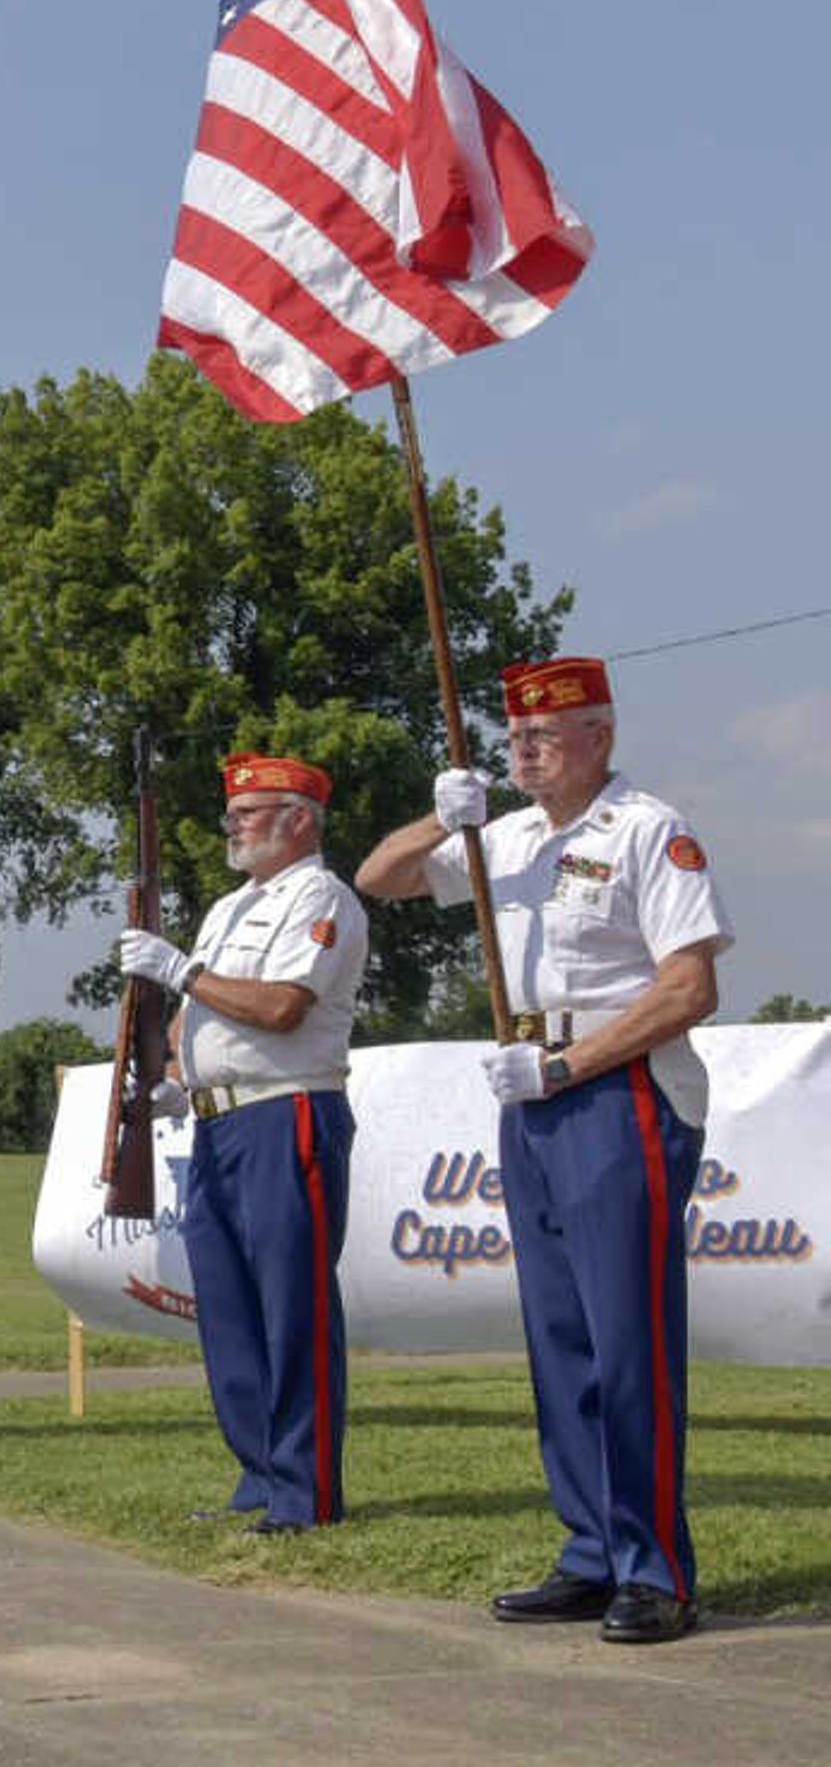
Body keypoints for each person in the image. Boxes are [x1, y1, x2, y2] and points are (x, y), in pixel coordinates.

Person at [355, 657, 734, 1644]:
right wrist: (445, 817)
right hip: (527, 1087)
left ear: (599, 736)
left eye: (544, 735)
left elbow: (689, 987)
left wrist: (568, 1068)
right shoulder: (507, 834)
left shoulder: (649, 829)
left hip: (618, 1087)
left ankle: (655, 1567)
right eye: (514, 735)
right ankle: (589, 1550)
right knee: (560, 1337)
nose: (521, 748)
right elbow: (378, 878)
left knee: (627, 1335)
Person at [112, 755, 367, 1531]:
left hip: (284, 1113)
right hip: (216, 1121)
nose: (233, 824)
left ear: (299, 821)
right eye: (234, 812)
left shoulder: (321, 897)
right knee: (228, 1310)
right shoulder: (230, 908)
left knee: (293, 1309)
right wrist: (170, 1075)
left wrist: (180, 971)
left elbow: (283, 1005)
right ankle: (259, 1474)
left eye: (250, 813)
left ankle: (306, 1490)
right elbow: (203, 1017)